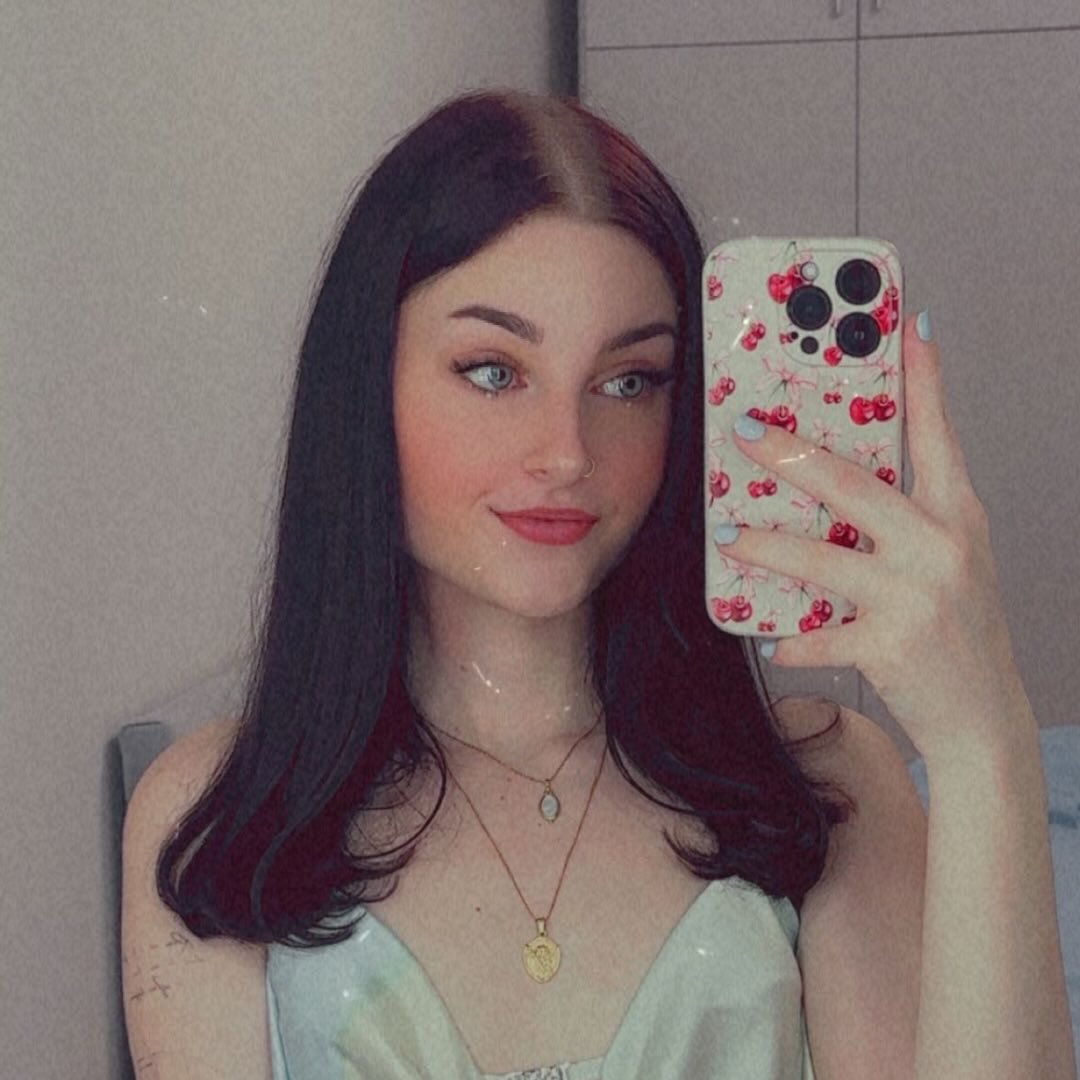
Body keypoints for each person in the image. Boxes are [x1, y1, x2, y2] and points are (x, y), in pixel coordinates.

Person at [120, 88, 1076, 1080]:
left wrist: (984, 742)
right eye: (493, 371)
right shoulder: (213, 816)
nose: (568, 451)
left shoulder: (830, 786)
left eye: (629, 381)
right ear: (365, 386)